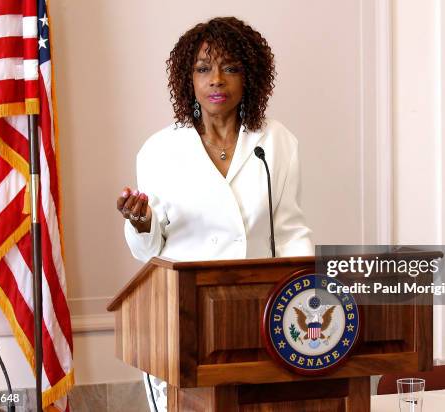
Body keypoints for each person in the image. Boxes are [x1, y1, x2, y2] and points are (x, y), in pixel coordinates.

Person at [116, 16, 313, 412]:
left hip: (256, 315)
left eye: (230, 68)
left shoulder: (277, 143)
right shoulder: (160, 150)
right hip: (183, 320)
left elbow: (290, 230)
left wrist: (309, 294)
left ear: (249, 76)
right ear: (188, 79)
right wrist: (140, 221)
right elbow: (149, 248)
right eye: (203, 69)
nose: (216, 80)